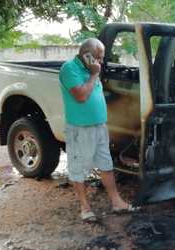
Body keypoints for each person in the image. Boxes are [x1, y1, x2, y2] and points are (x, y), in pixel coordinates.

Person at [59, 38, 136, 222]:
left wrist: (94, 72)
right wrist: (94, 75)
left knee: (106, 165)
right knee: (79, 168)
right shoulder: (70, 69)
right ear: (86, 55)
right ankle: (85, 207)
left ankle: (116, 202)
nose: (101, 62)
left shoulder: (90, 68)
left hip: (99, 126)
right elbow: (81, 96)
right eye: (98, 58)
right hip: (80, 128)